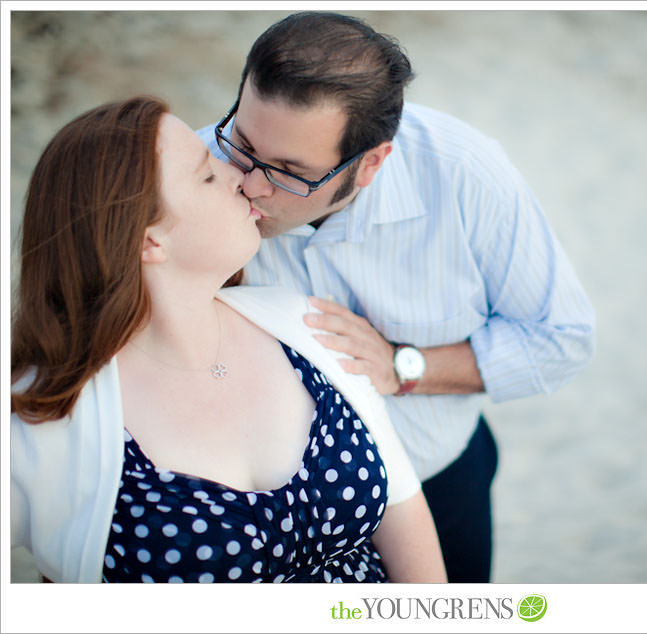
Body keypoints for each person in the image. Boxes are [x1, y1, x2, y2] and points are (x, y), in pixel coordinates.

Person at [197, 11, 595, 583]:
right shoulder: (194, 173)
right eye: (244, 142)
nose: (252, 185)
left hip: (438, 479)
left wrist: (403, 366)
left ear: (370, 165)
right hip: (272, 507)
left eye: (289, 172)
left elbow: (563, 338)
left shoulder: (465, 173)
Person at [10, 95, 446, 584]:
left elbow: (403, 513)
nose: (242, 179)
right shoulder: (40, 418)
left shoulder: (302, 325)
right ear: (149, 240)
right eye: (206, 174)